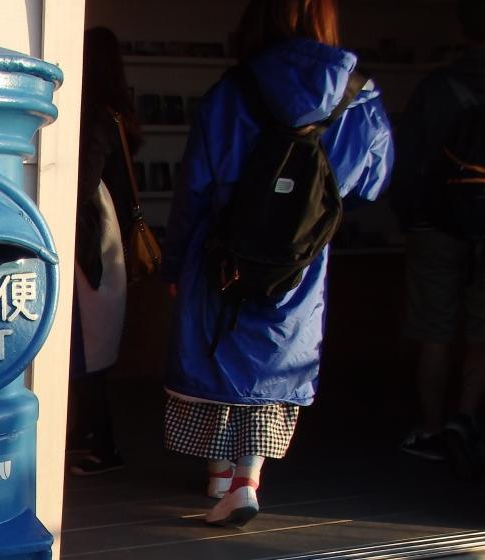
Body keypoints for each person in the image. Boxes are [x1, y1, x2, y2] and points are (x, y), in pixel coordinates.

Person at [160, 0, 394, 525]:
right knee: (275, 359)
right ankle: (247, 478)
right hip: (300, 260)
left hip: (221, 252)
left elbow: (194, 189)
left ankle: (220, 471)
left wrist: (173, 266)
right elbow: (373, 184)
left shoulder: (230, 91)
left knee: (217, 352)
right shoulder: (361, 98)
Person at [392, 0, 485, 479]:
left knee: (433, 329)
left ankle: (432, 428)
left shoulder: (436, 87)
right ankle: (465, 418)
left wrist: (411, 219)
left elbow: (407, 161)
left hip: (435, 226)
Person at [67, 26, 138, 475]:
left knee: (86, 350)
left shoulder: (93, 117)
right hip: (108, 243)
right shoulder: (118, 115)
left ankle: (104, 447)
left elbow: (80, 186)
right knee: (93, 350)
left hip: (90, 243)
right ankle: (89, 436)